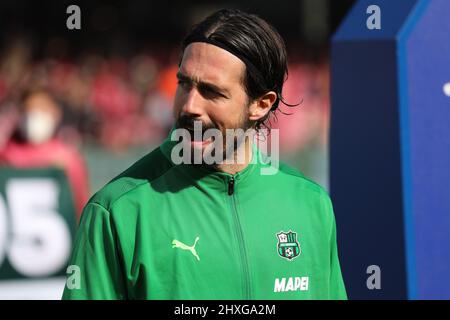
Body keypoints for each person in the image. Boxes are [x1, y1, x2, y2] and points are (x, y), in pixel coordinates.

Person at [62, 9, 346, 299]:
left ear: (261, 104)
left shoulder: (311, 204)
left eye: (211, 91)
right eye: (184, 84)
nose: (189, 106)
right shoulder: (118, 210)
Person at [0, 88, 90, 221]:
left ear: (55, 113)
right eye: (29, 109)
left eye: (42, 108)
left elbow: (80, 204)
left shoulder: (68, 158)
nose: (35, 114)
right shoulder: (5, 155)